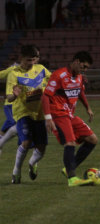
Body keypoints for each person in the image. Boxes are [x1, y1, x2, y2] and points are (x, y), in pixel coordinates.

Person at [41, 51, 98, 187]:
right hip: (58, 113)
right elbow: (46, 96)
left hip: (70, 115)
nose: (84, 70)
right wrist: (48, 118)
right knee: (70, 142)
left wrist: (87, 108)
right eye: (83, 67)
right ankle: (72, 179)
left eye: (86, 68)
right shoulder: (59, 75)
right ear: (77, 61)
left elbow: (80, 91)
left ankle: (69, 168)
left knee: (92, 139)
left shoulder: (79, 77)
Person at [6, 45, 51, 183]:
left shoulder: (41, 69)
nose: (31, 63)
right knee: (26, 142)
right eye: (28, 60)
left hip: (40, 113)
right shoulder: (14, 74)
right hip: (23, 112)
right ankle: (16, 172)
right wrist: (14, 94)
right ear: (21, 58)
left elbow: (54, 81)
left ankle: (32, 163)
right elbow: (9, 97)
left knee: (41, 148)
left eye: (33, 60)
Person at [0, 47, 40, 156]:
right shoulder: (13, 69)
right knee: (14, 124)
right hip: (11, 104)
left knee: (18, 128)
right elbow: (1, 75)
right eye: (30, 59)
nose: (34, 61)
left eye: (35, 58)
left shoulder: (36, 71)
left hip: (24, 106)